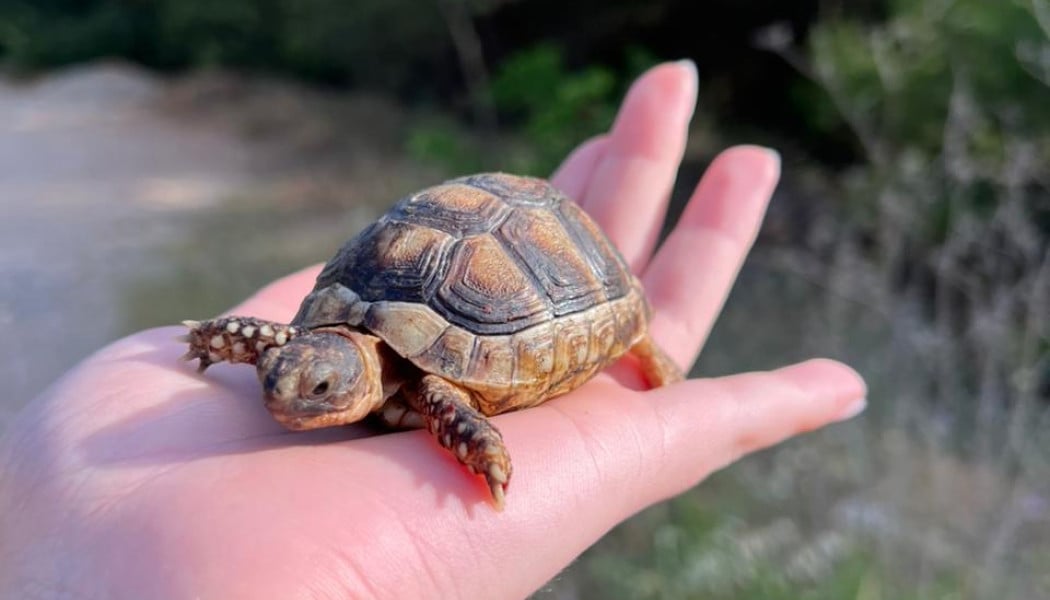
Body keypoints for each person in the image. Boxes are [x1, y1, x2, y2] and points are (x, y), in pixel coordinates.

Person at [0, 60, 865, 599]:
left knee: (474, 388)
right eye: (291, 377)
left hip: (544, 272)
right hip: (393, 283)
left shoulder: (431, 385)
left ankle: (638, 336)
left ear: (363, 379)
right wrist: (224, 344)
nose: (287, 394)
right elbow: (276, 345)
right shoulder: (312, 349)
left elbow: (435, 390)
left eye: (318, 389)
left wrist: (473, 436)